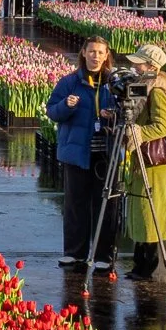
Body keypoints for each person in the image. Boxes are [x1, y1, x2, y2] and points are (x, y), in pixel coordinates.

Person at [48, 36, 122, 269]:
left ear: (107, 54)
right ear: (83, 53)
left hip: (105, 153)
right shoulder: (70, 82)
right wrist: (66, 106)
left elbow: (128, 113)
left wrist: (114, 115)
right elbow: (52, 111)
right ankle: (74, 252)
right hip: (77, 152)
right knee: (75, 203)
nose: (96, 56)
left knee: (106, 205)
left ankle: (103, 256)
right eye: (91, 51)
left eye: (100, 52)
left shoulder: (114, 83)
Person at [121, 42, 166, 281]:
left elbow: (162, 127)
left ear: (151, 66)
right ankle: (139, 264)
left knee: (151, 213)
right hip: (141, 159)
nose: (135, 67)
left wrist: (138, 133)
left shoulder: (158, 91)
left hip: (154, 162)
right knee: (140, 211)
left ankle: (149, 267)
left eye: (139, 63)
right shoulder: (144, 87)